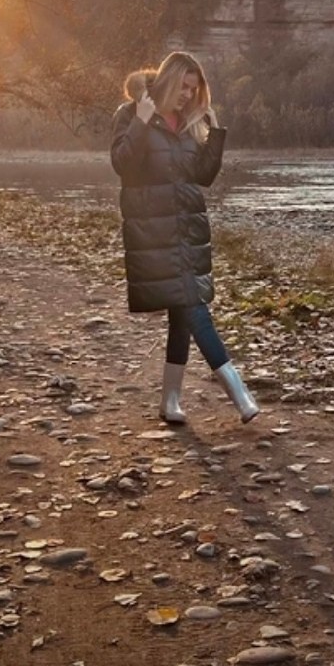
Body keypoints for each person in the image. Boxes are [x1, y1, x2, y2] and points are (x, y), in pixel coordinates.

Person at [110, 50, 259, 424]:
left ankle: (170, 401)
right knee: (193, 306)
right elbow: (122, 165)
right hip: (153, 232)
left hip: (187, 230)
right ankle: (239, 393)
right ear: (169, 79)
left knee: (182, 312)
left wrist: (215, 133)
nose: (188, 95)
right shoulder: (131, 114)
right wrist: (142, 123)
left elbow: (203, 176)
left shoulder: (189, 121)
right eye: (185, 87)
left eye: (194, 90)